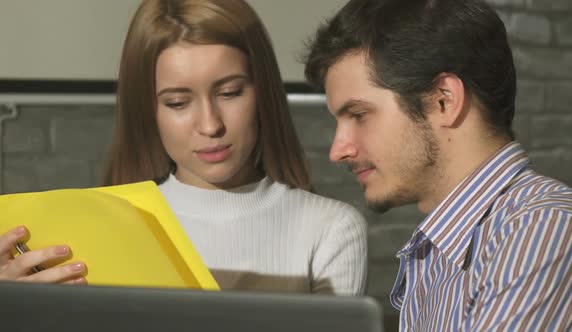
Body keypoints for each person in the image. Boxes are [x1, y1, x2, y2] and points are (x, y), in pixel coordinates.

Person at [0, 0, 367, 296]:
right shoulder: (87, 230)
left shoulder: (329, 229)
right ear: (148, 110)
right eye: (177, 103)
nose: (210, 125)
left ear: (263, 93)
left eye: (229, 93)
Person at [304, 0, 572, 330]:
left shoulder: (542, 231)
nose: (338, 150)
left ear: (444, 100)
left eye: (359, 116)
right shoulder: (445, 247)